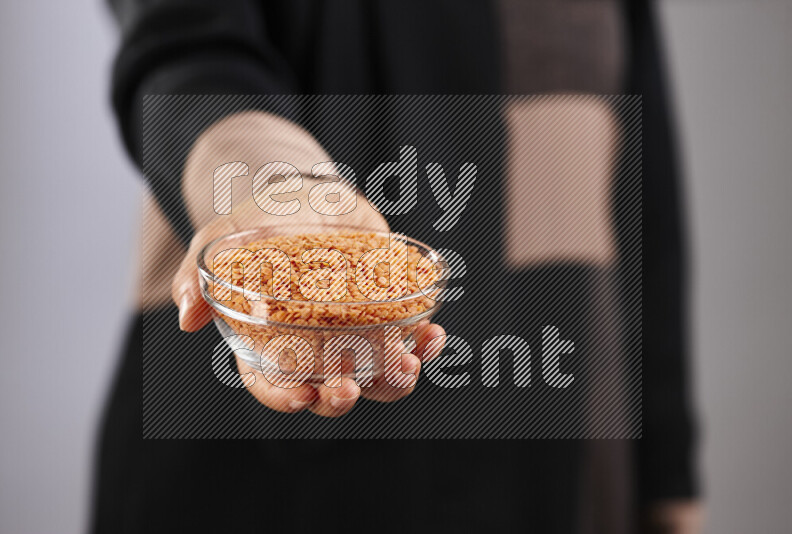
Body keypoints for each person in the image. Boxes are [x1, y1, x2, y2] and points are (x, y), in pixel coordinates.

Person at [94, 0, 701, 532]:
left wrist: (667, 470)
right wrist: (275, 186)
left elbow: (639, 183)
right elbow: (187, 45)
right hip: (256, 459)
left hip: (559, 447)